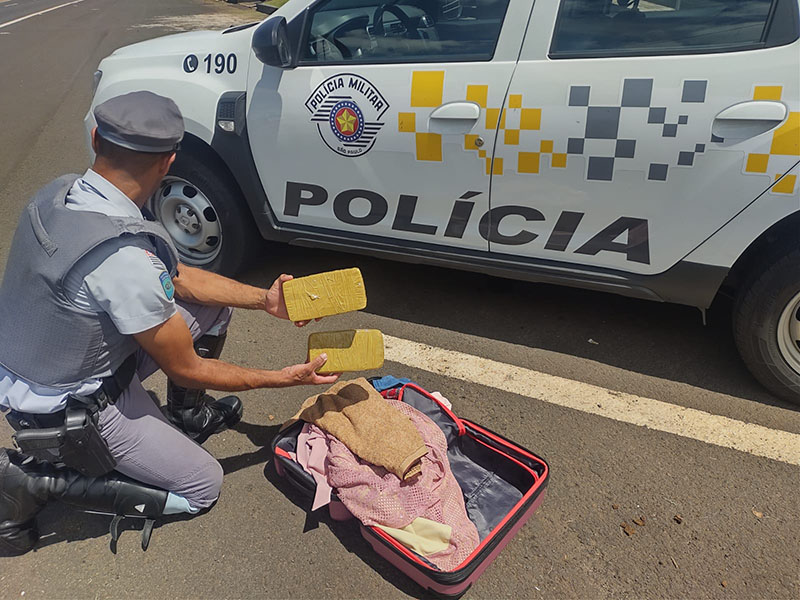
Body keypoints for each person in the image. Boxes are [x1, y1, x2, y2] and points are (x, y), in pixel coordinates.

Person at [0, 91, 339, 556]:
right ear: (168, 163)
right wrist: (282, 379)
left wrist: (267, 300)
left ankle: (186, 416)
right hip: (72, 403)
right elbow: (187, 368)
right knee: (202, 486)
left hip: (51, 358)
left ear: (97, 138)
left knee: (215, 306)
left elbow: (178, 279)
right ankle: (33, 480)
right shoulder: (121, 259)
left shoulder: (63, 194)